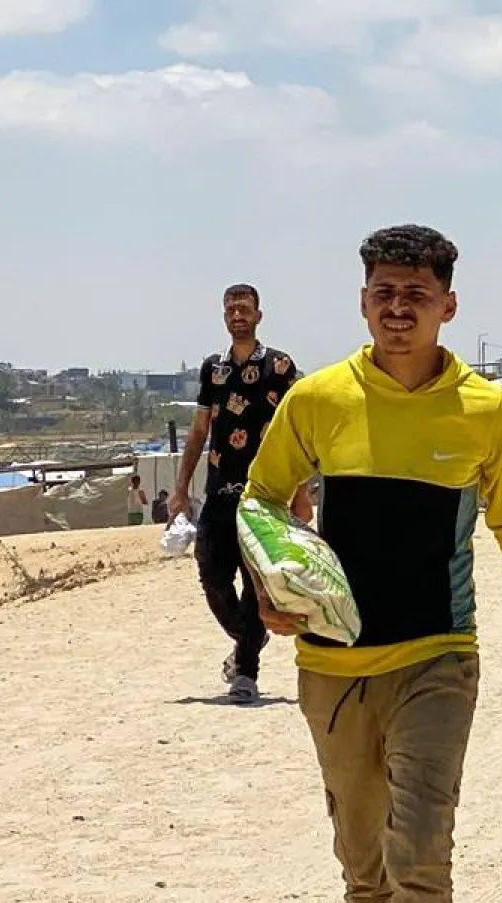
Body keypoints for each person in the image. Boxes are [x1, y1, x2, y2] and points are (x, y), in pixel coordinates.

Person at [246, 225, 502, 900]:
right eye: (383, 292)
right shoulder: (318, 399)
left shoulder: (489, 412)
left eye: (416, 294)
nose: (398, 308)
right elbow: (262, 499)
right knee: (365, 874)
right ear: (363, 301)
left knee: (420, 859)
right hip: (332, 666)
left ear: (448, 305)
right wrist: (268, 588)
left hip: (438, 655)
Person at [169, 283, 307, 704]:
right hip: (219, 492)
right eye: (231, 310)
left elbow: (297, 432)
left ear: (258, 316)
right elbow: (199, 432)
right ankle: (250, 636)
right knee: (211, 574)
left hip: (265, 495)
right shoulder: (213, 369)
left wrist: (302, 493)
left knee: (255, 583)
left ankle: (246, 673)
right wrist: (180, 489)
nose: (237, 315)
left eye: (244, 309)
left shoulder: (280, 366)